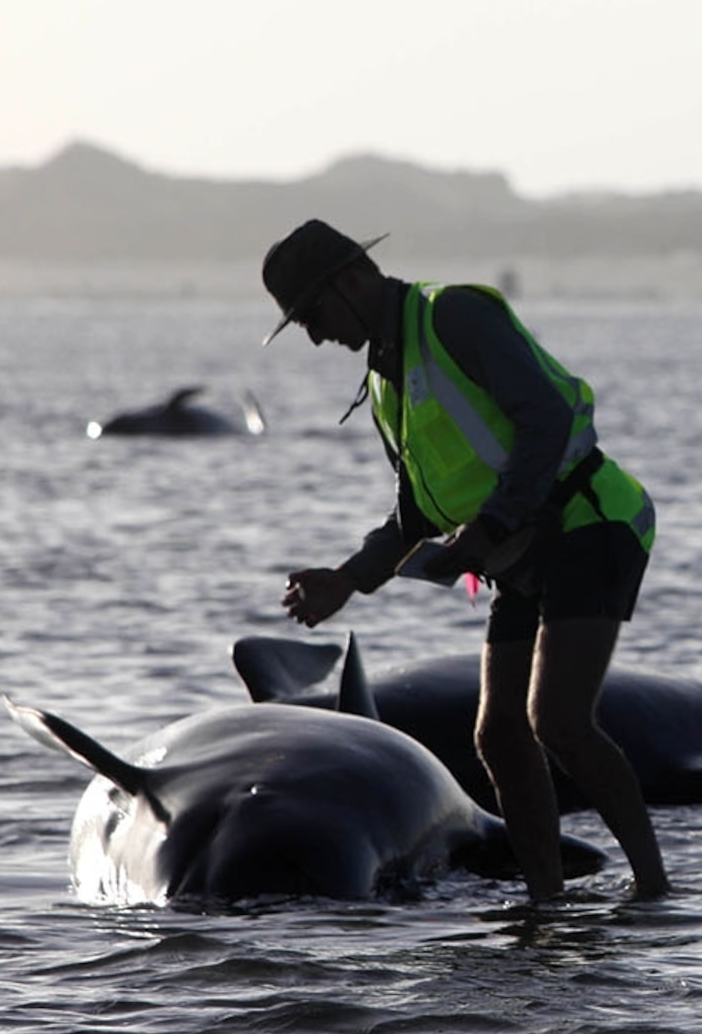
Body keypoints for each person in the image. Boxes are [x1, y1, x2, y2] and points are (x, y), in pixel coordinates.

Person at [263, 219, 668, 900]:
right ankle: (544, 907)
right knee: (499, 733)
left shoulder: (454, 316)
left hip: (590, 522)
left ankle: (654, 891)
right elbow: (414, 518)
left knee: (558, 720)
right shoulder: (385, 382)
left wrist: (491, 528)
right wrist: (346, 581)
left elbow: (548, 420)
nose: (313, 334)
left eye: (313, 313)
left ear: (354, 280)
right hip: (518, 556)